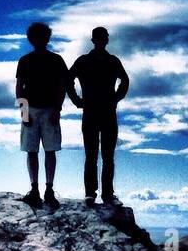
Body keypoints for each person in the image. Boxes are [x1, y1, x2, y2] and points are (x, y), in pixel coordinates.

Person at [68, 26, 129, 206]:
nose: (102, 40)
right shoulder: (84, 61)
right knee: (91, 155)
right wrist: (77, 101)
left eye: (104, 37)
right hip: (91, 113)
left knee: (108, 156)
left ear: (106, 40)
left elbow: (125, 80)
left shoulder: (112, 61)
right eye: (100, 37)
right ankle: (90, 193)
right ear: (94, 40)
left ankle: (108, 194)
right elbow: (67, 80)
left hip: (108, 113)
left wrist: (116, 98)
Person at [14, 21, 71, 209]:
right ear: (31, 39)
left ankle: (48, 190)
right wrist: (24, 112)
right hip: (31, 110)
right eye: (36, 37)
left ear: (47, 38)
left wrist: (57, 108)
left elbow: (62, 86)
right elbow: (19, 87)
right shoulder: (25, 60)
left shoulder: (56, 60)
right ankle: (35, 189)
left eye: (42, 36)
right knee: (31, 150)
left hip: (49, 110)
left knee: (50, 150)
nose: (39, 40)